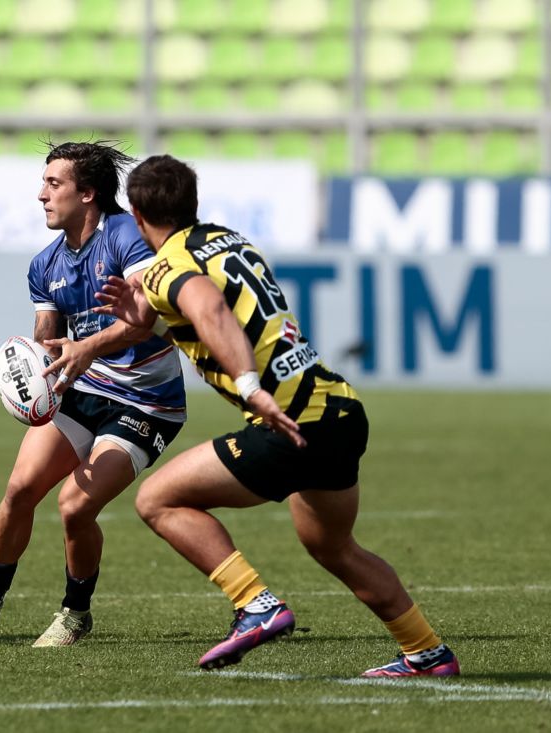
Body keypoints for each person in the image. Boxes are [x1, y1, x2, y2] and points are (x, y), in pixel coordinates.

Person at [94, 154, 459, 678]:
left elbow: (209, 310)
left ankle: (255, 605)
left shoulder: (167, 267)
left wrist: (249, 385)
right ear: (193, 202)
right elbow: (206, 314)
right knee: (332, 545)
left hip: (287, 418)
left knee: (158, 500)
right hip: (338, 409)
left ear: (135, 214)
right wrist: (144, 326)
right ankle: (427, 652)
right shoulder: (228, 240)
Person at [0, 142, 187, 646]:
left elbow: (150, 319)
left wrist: (86, 348)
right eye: (43, 183)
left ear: (87, 193)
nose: (41, 195)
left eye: (53, 184)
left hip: (147, 402)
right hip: (84, 389)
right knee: (20, 490)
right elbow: (47, 340)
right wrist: (30, 376)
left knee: (74, 506)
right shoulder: (44, 264)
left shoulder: (126, 237)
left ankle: (75, 614)